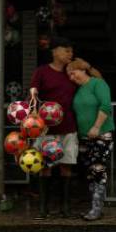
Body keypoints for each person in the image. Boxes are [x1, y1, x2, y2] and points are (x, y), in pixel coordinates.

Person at [29, 37, 78, 218]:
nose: (70, 54)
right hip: (46, 130)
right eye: (66, 50)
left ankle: (65, 207)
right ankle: (43, 208)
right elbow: (33, 94)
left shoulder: (72, 71)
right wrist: (33, 113)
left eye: (71, 51)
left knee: (66, 166)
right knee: (45, 167)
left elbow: (93, 79)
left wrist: (84, 66)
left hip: (69, 127)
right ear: (55, 51)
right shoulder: (41, 72)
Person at [66, 58, 115, 221]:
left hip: (101, 134)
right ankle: (96, 207)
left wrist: (96, 127)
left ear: (82, 70)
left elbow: (105, 106)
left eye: (73, 73)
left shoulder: (98, 84)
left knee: (98, 169)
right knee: (89, 172)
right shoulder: (79, 90)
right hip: (84, 137)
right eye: (69, 76)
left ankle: (96, 209)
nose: (71, 78)